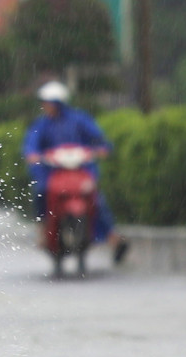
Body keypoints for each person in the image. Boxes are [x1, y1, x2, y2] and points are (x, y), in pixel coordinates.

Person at [23, 80, 129, 263]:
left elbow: (98, 137)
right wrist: (33, 155)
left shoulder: (79, 119)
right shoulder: (42, 125)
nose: (45, 106)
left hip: (81, 171)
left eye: (49, 102)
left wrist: (102, 148)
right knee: (41, 192)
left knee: (97, 200)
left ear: (58, 103)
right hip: (53, 173)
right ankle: (43, 230)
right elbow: (31, 144)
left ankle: (112, 238)